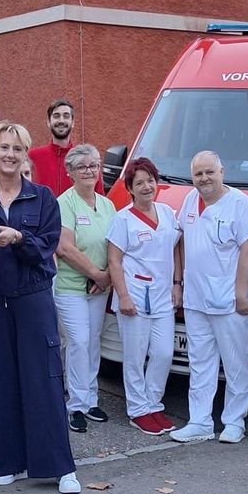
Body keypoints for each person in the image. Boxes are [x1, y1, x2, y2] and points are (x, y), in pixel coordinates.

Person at [0, 121, 80, 494]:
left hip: (33, 298)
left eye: (17, 148)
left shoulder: (43, 198)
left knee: (44, 378)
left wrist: (17, 237)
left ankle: (59, 467)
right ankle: (6, 460)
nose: (9, 154)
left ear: (24, 154)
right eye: (3, 147)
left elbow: (45, 249)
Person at [171, 151, 248, 444]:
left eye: (210, 172)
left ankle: (235, 421)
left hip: (229, 301)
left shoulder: (239, 204)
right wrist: (178, 283)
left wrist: (241, 292)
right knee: (200, 363)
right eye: (198, 174)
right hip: (196, 300)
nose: (204, 179)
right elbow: (180, 240)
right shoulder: (189, 201)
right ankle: (200, 421)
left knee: (235, 363)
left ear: (222, 171)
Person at [106, 156, 180, 436]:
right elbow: (114, 261)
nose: (147, 186)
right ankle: (138, 410)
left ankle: (152, 403)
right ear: (131, 188)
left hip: (163, 296)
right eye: (140, 183)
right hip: (134, 296)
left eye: (150, 180)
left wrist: (177, 283)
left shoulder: (168, 213)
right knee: (135, 356)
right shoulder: (122, 220)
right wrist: (123, 296)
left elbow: (175, 247)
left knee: (163, 353)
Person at [53, 144, 117, 434]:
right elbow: (64, 247)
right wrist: (95, 273)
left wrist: (107, 277)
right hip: (71, 287)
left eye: (94, 165)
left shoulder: (106, 205)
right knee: (77, 341)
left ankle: (90, 399)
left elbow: (115, 248)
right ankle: (75, 404)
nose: (90, 171)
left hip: (99, 287)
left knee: (92, 342)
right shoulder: (63, 203)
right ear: (70, 173)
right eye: (83, 167)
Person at [27, 99, 103, 196]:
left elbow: (99, 198)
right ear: (48, 122)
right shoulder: (33, 156)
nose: (61, 120)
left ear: (73, 122)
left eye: (66, 116)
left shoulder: (87, 159)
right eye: (56, 116)